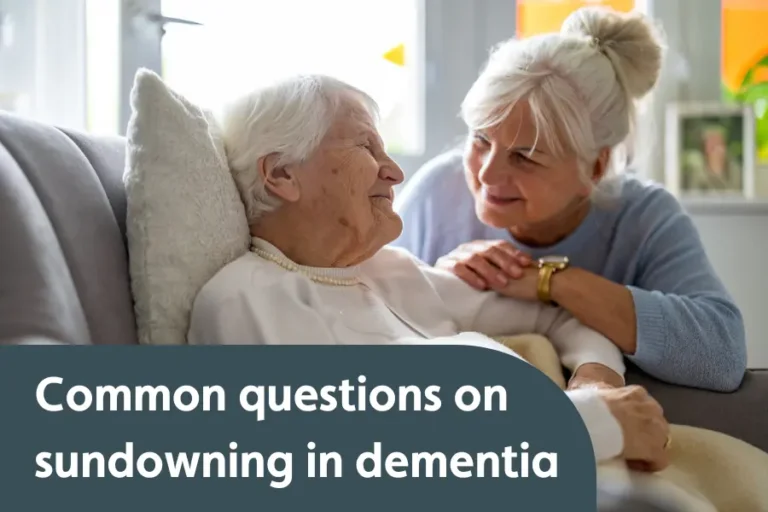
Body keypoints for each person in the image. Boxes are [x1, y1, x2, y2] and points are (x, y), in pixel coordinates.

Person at [187, 73, 670, 471]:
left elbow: (560, 318)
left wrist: (596, 382)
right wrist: (592, 424)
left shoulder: (389, 271)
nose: (394, 172)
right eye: (366, 148)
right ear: (282, 175)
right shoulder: (245, 298)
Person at [390, 6, 747, 392]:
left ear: (594, 167)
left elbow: (722, 356)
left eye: (524, 157)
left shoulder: (644, 218)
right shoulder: (437, 193)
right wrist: (437, 283)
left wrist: (552, 282)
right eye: (480, 139)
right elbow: (364, 312)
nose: (487, 173)